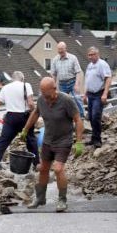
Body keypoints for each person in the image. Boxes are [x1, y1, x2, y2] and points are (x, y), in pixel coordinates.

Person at [19, 77, 84, 212]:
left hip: (63, 141)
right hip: (48, 140)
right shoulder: (42, 100)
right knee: (43, 168)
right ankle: (40, 198)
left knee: (58, 169)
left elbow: (78, 120)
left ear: (54, 89)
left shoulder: (66, 100)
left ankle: (62, 200)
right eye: (43, 94)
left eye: (47, 95)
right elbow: (36, 113)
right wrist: (25, 129)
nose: (46, 99)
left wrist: (79, 141)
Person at [0, 71, 38, 170]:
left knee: (3, 140)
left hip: (10, 117)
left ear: (12, 79)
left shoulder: (5, 88)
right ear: (22, 79)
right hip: (24, 116)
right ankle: (36, 164)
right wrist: (34, 115)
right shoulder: (26, 85)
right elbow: (31, 104)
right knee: (31, 140)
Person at [82, 46, 112, 148]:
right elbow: (87, 81)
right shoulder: (89, 66)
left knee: (95, 116)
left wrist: (105, 94)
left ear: (97, 54)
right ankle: (93, 138)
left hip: (99, 94)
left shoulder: (102, 64)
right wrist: (85, 94)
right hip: (90, 94)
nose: (90, 57)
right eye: (89, 55)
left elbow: (108, 78)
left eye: (92, 54)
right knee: (90, 117)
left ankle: (98, 139)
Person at [50, 42, 84, 118]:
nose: (60, 51)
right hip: (62, 83)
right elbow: (53, 74)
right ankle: (64, 117)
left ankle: (81, 116)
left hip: (72, 82)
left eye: (61, 49)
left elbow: (78, 72)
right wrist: (54, 85)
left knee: (77, 99)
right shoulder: (55, 60)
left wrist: (77, 84)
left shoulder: (73, 58)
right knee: (62, 101)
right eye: (59, 49)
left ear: (65, 49)